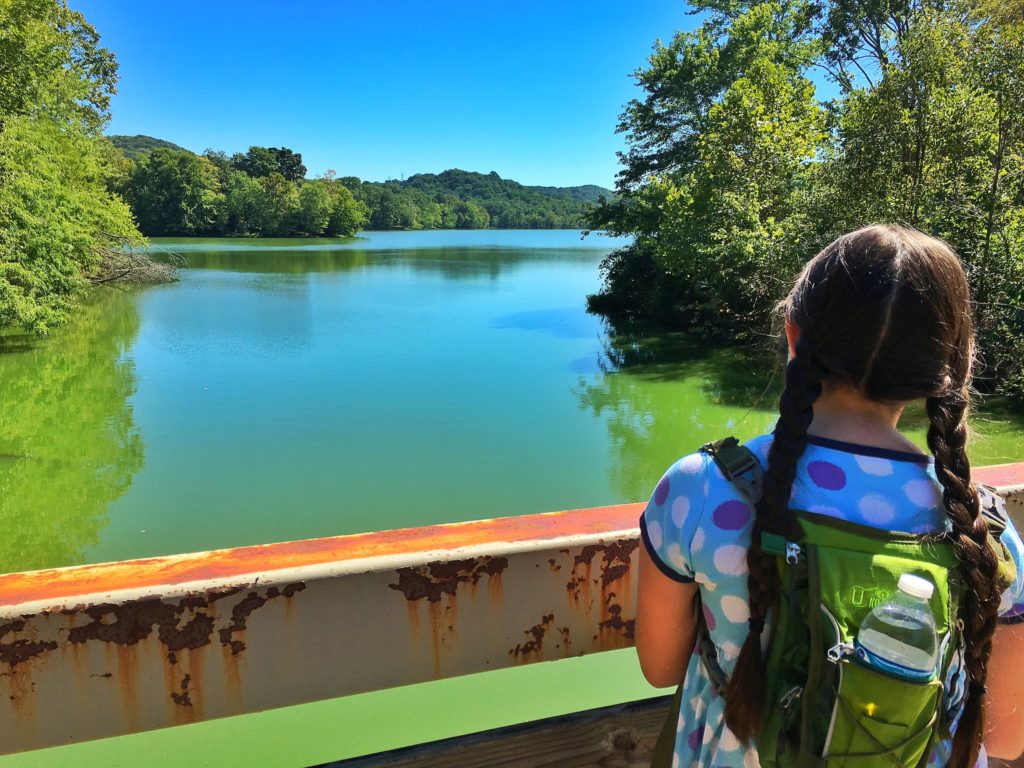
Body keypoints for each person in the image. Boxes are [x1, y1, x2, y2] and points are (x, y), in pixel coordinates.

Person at [635, 225, 1024, 767]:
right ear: (948, 369)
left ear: (795, 339)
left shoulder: (704, 487)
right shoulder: (985, 529)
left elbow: (659, 666)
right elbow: (1006, 739)